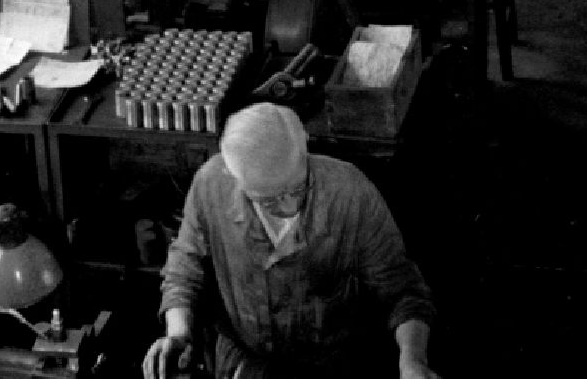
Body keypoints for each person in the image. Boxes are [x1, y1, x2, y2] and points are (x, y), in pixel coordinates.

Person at [142, 103, 441, 379]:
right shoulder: (211, 187)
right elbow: (185, 268)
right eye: (270, 200)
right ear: (235, 178)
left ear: (304, 151)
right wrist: (178, 333)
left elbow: (402, 290)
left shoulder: (350, 193)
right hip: (245, 361)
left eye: (297, 190)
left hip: (332, 363)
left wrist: (412, 359)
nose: (287, 207)